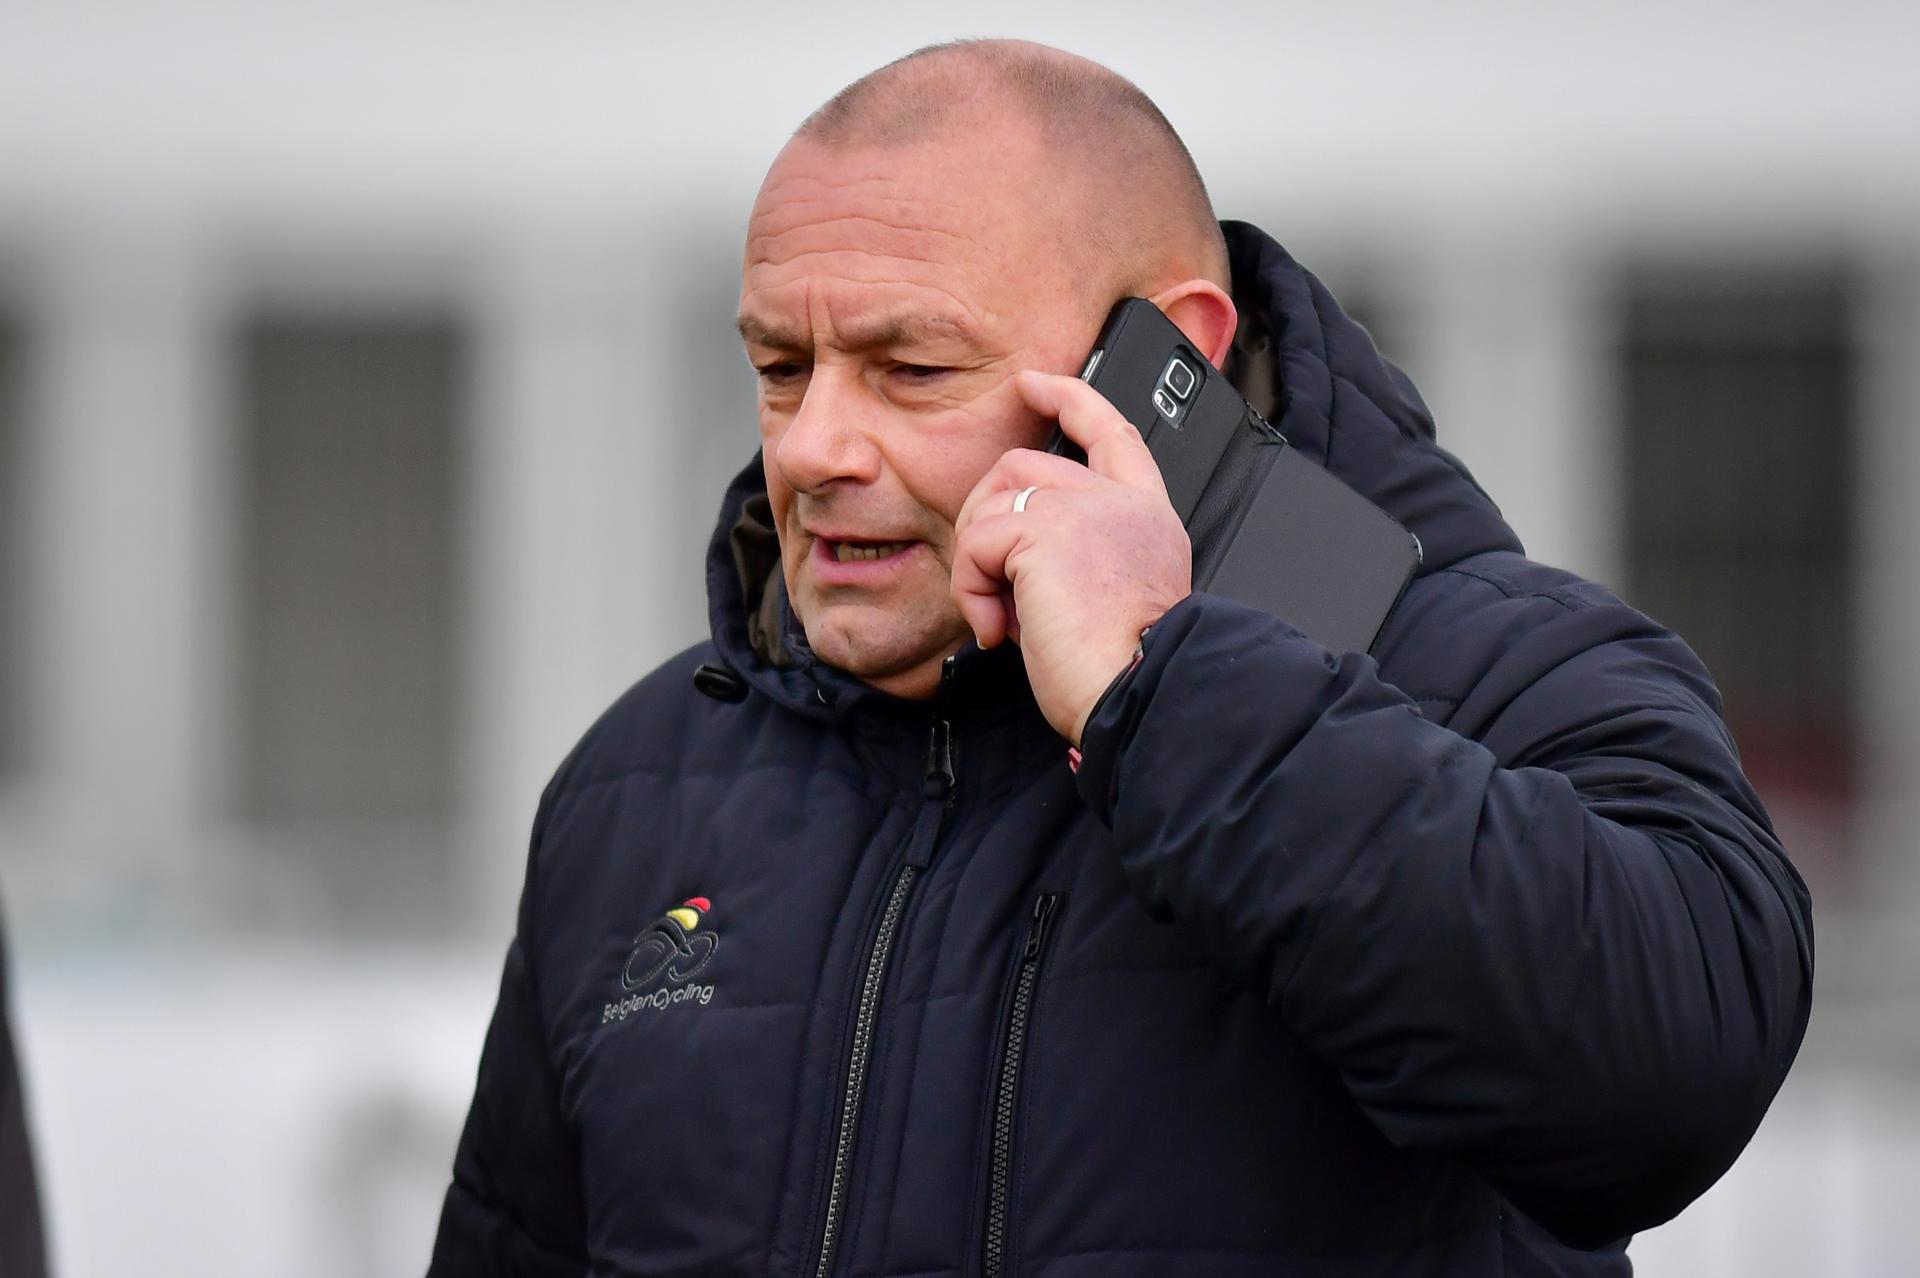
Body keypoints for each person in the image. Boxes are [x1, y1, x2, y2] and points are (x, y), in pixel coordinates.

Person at [428, 39, 1813, 1278]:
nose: (811, 447)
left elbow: (1678, 1071)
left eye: (911, 369)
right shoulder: (636, 783)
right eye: (782, 365)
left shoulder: (1482, 663)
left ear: (1168, 364)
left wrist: (1165, 689)